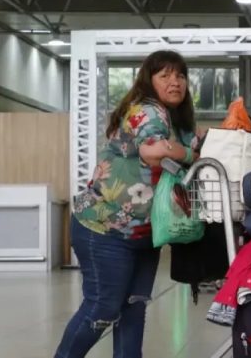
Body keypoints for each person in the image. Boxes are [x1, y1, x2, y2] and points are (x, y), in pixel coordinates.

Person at [56, 50, 199, 358]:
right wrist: (191, 156)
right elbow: (153, 150)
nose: (175, 82)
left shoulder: (180, 122)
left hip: (146, 233)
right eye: (165, 75)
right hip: (105, 228)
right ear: (149, 81)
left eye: (180, 75)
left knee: (133, 310)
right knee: (102, 308)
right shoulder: (147, 110)